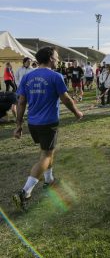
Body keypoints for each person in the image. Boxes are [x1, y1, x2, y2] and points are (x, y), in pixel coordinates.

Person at [13, 47, 83, 211]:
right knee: (45, 155)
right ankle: (25, 192)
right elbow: (65, 98)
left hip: (33, 123)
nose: (58, 60)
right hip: (48, 123)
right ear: (51, 58)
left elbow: (21, 102)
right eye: (57, 57)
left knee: (48, 151)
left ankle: (49, 180)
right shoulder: (55, 76)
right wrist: (77, 112)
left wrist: (18, 125)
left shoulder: (28, 76)